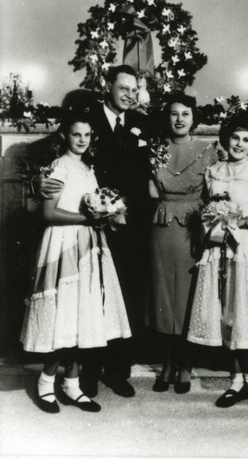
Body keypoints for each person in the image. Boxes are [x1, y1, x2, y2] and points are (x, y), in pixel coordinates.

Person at [35, 65, 151, 399]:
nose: (129, 95)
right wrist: (36, 183)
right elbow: (51, 161)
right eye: (123, 88)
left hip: (126, 226)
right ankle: (84, 375)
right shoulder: (86, 120)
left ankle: (117, 371)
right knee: (85, 299)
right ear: (108, 87)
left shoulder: (142, 124)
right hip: (86, 225)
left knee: (120, 298)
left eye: (134, 89)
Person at [20, 112, 132, 414]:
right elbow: (48, 214)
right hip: (64, 243)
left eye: (86, 135)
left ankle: (72, 383)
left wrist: (105, 216)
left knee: (82, 315)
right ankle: (45, 382)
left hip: (89, 245)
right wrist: (88, 218)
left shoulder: (87, 168)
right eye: (75, 135)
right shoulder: (59, 166)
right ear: (64, 137)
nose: (81, 140)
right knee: (64, 316)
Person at [187, 115, 248, 409]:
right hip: (221, 248)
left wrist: (239, 220)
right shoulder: (213, 172)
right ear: (226, 139)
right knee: (227, 313)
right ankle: (237, 381)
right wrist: (213, 220)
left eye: (246, 139)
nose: (240, 144)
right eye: (235, 138)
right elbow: (207, 210)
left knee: (244, 313)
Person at [145, 94, 218, 393]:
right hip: (161, 229)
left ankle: (185, 364)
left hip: (193, 228)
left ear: (193, 118)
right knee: (163, 297)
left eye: (185, 114)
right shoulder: (155, 149)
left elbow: (222, 186)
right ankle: (167, 362)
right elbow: (150, 192)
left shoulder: (209, 151)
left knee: (189, 297)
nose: (179, 119)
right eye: (174, 114)